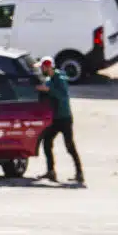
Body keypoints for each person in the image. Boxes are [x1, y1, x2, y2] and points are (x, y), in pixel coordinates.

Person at [35, 56, 84, 184]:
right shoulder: (49, 79)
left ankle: (79, 173)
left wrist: (49, 90)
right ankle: (51, 171)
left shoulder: (60, 78)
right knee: (47, 142)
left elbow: (63, 95)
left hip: (64, 118)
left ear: (48, 67)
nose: (42, 69)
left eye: (43, 67)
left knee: (69, 146)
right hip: (55, 118)